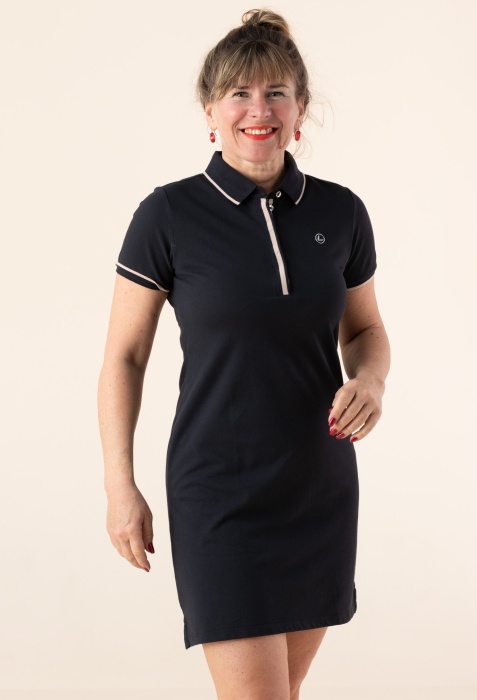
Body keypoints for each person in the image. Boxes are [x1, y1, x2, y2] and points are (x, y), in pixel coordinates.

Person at [97, 8, 391, 700]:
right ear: (210, 110)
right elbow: (124, 358)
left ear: (300, 109)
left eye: (275, 93)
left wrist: (372, 381)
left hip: (318, 485)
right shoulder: (167, 216)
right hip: (217, 493)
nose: (259, 110)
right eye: (239, 94)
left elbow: (365, 331)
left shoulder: (342, 213)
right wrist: (119, 486)